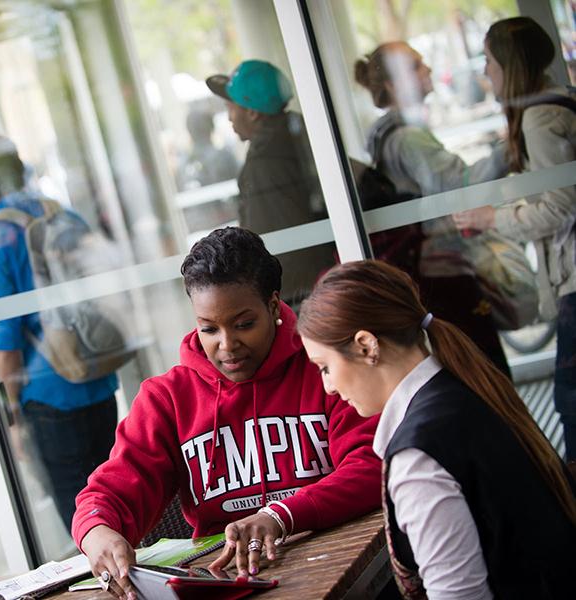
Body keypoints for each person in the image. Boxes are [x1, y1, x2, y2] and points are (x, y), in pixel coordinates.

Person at [73, 227, 381, 599]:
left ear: (272, 305)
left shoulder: (324, 369)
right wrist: (97, 531)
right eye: (209, 329)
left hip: (340, 563)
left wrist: (280, 515)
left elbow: (371, 464)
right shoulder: (167, 398)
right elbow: (110, 492)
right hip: (229, 581)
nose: (227, 344)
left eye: (244, 324)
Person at [297, 259, 576, 598]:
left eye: (325, 367)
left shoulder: (418, 456)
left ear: (366, 346)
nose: (327, 387)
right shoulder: (466, 387)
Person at [0, 135, 119, 529]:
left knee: (84, 522)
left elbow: (5, 337)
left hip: (49, 394)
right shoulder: (62, 214)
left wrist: (10, 407)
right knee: (117, 504)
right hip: (99, 377)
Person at [453, 16, 576, 463]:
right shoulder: (560, 103)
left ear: (510, 63)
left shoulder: (541, 118)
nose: (486, 72)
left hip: (575, 281)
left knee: (570, 402)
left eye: (489, 61)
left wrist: (493, 218)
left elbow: (562, 204)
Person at [354, 41, 511, 377]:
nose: (426, 70)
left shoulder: (384, 134)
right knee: (487, 370)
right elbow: (458, 184)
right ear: (394, 84)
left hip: (426, 268)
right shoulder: (408, 138)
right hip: (444, 268)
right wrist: (509, 149)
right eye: (416, 65)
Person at [206, 60, 335, 306]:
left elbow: (267, 243)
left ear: (252, 112)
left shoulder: (263, 164)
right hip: (321, 282)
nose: (229, 117)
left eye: (231, 107)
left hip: (298, 298)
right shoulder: (301, 137)